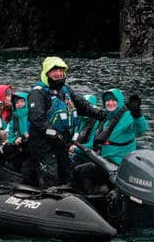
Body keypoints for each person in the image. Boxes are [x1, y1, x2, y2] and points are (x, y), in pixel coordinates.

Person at [23, 56, 105, 187]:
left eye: (60, 70)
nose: (58, 73)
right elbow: (37, 119)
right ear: (47, 72)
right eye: (54, 70)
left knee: (67, 174)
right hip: (44, 144)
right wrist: (53, 134)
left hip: (61, 142)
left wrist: (100, 113)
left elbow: (82, 105)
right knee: (51, 176)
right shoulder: (38, 93)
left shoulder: (65, 90)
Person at [94, 89, 149, 166]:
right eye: (107, 100)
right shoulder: (106, 117)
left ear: (119, 101)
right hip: (103, 158)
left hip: (118, 162)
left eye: (114, 100)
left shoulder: (128, 116)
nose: (110, 103)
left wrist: (137, 114)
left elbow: (140, 130)